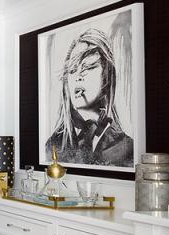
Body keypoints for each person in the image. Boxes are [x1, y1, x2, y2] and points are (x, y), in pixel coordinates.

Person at [45, 28, 133, 167]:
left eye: (88, 67)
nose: (78, 76)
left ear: (106, 76)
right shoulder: (53, 144)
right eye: (72, 70)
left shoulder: (126, 147)